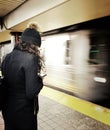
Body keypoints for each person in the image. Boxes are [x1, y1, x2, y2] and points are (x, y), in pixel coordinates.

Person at [1, 22, 44, 130]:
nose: (37, 50)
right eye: (37, 47)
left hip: (7, 109)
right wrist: (40, 80)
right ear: (34, 44)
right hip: (24, 114)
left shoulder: (7, 57)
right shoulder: (31, 59)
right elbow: (31, 92)